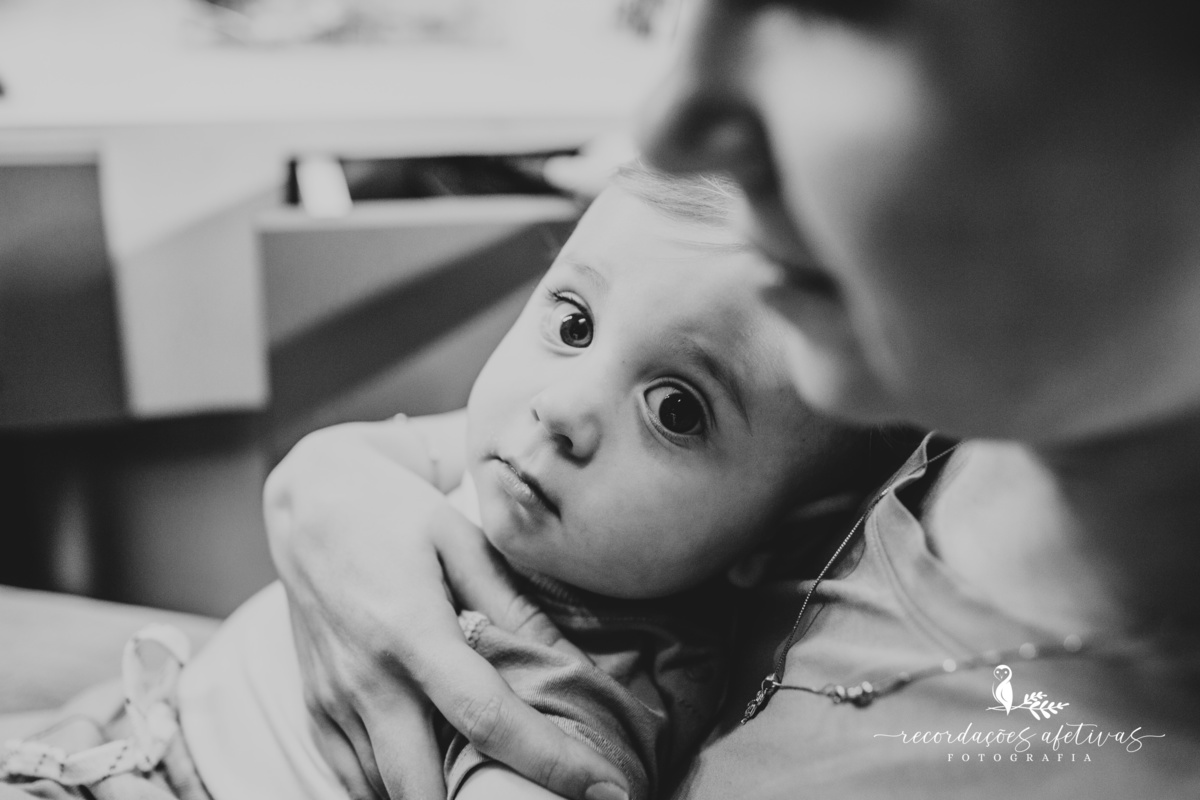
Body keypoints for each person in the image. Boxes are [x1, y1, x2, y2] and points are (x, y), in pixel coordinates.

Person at [261, 1, 1200, 798]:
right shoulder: (906, 382)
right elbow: (383, 469)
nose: (667, 117)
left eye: (842, 9)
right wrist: (329, 489)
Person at [0, 165, 894, 800]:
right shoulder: (544, 499)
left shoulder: (582, 672)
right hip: (125, 716)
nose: (561, 407)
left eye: (675, 410)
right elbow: (368, 463)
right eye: (574, 322)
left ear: (770, 542)